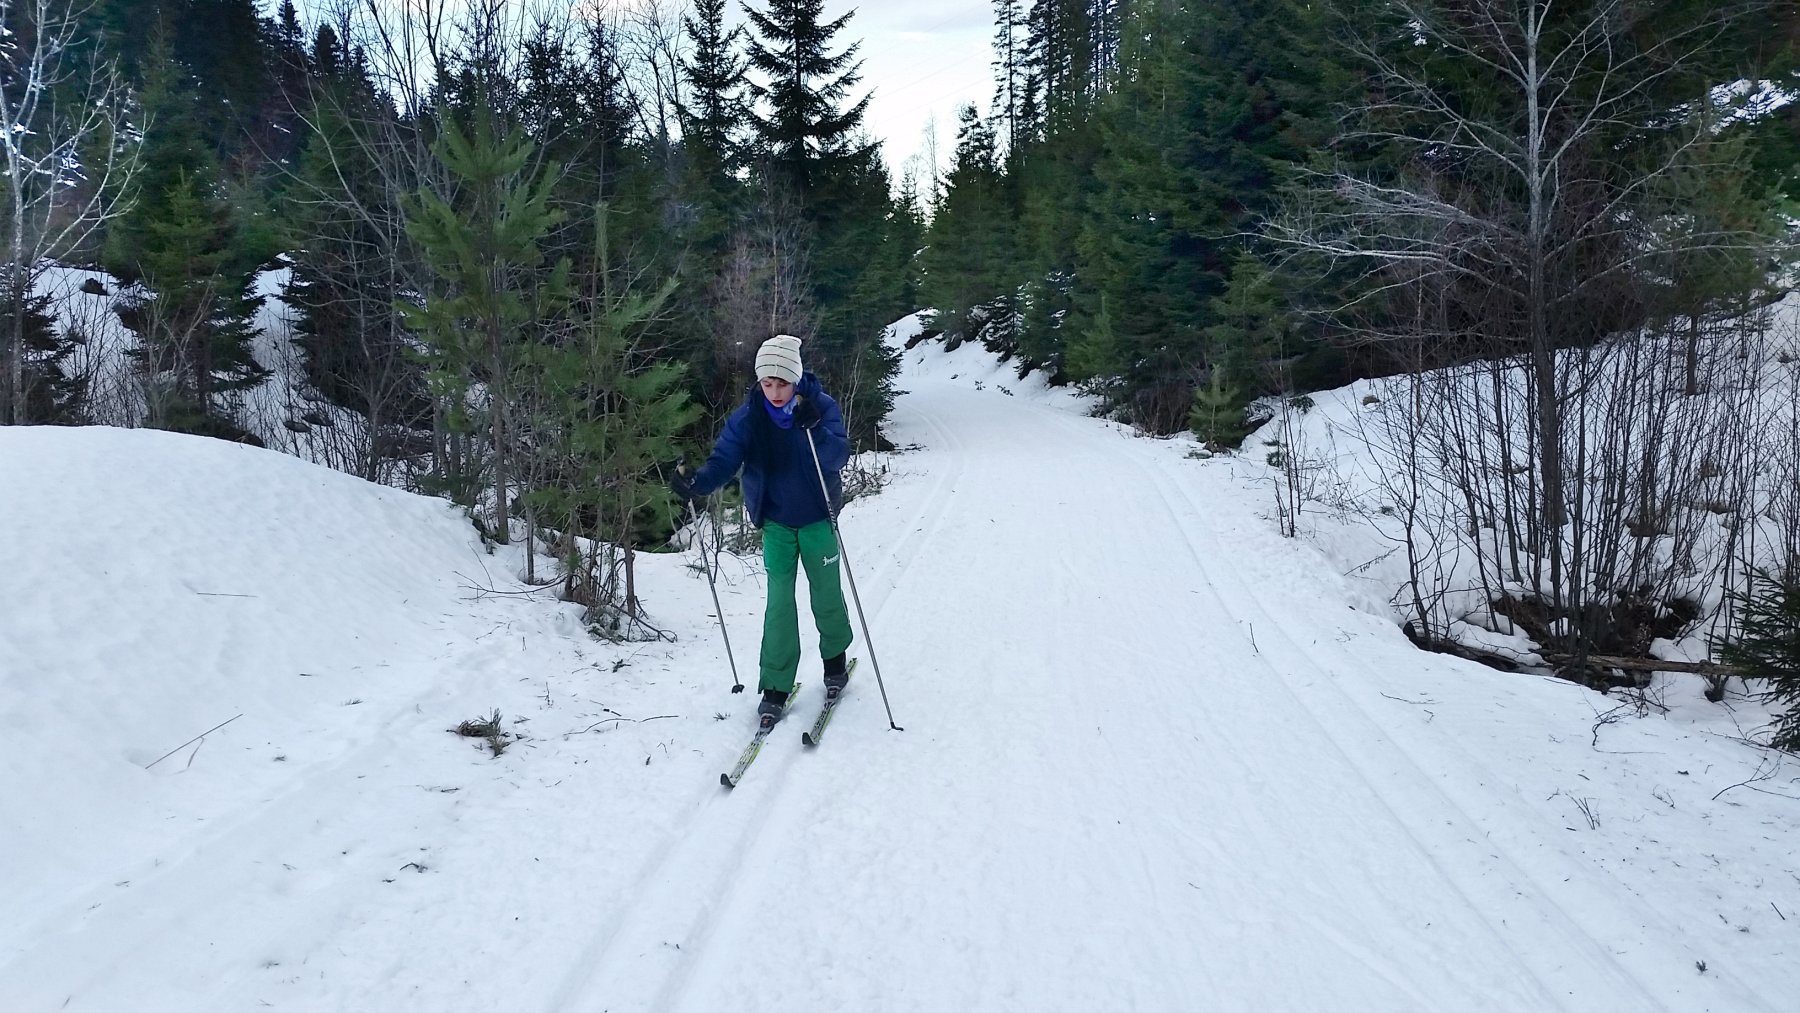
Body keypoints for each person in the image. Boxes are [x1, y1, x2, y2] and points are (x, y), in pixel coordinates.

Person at [672, 334, 854, 724]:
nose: (774, 391)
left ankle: (835, 661)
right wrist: (698, 483)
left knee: (826, 594)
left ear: (796, 378)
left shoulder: (821, 407)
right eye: (767, 383)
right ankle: (775, 685)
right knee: (779, 603)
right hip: (775, 522)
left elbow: (839, 454)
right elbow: (725, 458)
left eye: (782, 383)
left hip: (819, 517)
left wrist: (817, 429)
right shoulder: (750, 416)